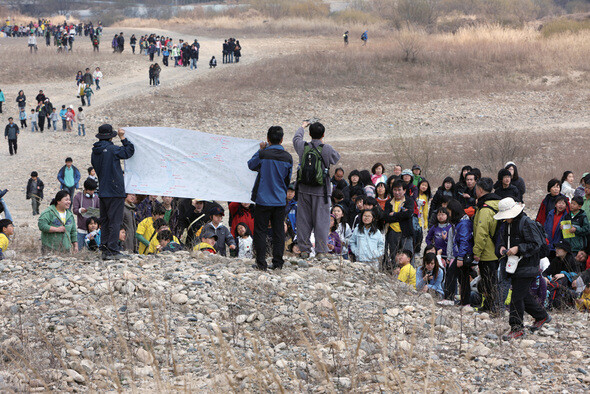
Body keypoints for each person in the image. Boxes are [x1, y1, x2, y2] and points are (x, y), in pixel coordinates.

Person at [494, 197, 550, 340]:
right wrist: (501, 247)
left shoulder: (527, 224)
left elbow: (536, 245)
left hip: (528, 265)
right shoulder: (507, 224)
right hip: (514, 265)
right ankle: (541, 316)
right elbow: (501, 239)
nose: (505, 219)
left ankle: (517, 328)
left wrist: (518, 248)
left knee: (516, 297)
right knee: (522, 295)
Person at [293, 121, 341, 259]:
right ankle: (321, 250)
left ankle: (304, 250)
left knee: (303, 220)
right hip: (321, 191)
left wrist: (302, 126)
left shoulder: (303, 146)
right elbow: (336, 158)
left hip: (303, 189)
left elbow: (296, 139)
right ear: (323, 134)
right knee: (321, 221)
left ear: (309, 133)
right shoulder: (326, 148)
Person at [248, 126, 292, 269]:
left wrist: (261, 149)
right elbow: (287, 179)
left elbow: (251, 165)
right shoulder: (287, 157)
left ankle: (261, 263)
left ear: (267, 139)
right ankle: (278, 263)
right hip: (279, 199)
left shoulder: (263, 154)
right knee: (278, 232)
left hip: (263, 199)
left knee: (260, 231)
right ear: (282, 139)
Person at [91, 125, 135, 259]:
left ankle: (104, 249)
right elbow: (129, 151)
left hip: (103, 191)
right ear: (111, 136)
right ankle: (113, 250)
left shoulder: (95, 151)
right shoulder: (112, 149)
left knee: (105, 221)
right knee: (115, 221)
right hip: (115, 191)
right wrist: (123, 138)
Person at [473, 177, 501, 313]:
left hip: (487, 252)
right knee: (493, 280)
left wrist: (477, 252)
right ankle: (491, 305)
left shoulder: (485, 208)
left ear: (480, 189)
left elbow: (481, 232)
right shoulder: (498, 204)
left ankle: (491, 307)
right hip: (498, 250)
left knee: (488, 281)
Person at [383, 180, 415, 272]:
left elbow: (408, 214)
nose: (397, 192)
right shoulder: (389, 202)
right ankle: (395, 274)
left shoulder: (409, 201)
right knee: (394, 255)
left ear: (404, 190)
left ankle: (410, 274)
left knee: (408, 255)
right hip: (392, 232)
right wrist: (400, 215)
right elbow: (386, 217)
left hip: (406, 232)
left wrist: (394, 214)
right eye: (395, 190)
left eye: (399, 190)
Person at [72, 179, 100, 249]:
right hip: (82, 229)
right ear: (85, 189)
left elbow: (99, 210)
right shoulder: (78, 197)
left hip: (93, 231)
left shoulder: (96, 198)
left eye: (93, 190)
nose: (92, 192)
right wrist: (80, 210)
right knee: (80, 249)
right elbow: (74, 210)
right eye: (90, 190)